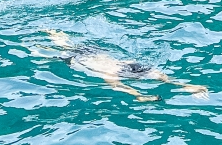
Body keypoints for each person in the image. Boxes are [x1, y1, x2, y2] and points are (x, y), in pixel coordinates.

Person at [37, 30, 208, 102]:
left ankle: (50, 33)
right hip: (121, 64)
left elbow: (117, 86)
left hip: (103, 63)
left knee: (61, 48)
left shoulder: (107, 71)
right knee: (156, 74)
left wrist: (138, 95)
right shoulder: (114, 66)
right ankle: (187, 86)